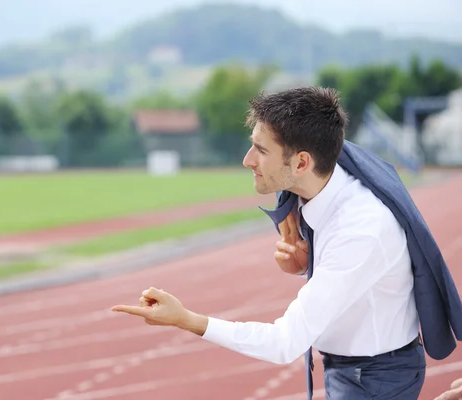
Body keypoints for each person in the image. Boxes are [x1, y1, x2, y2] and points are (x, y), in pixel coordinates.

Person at [111, 87, 432, 399]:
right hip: (354, 367)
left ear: (302, 163)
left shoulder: (359, 230)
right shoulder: (323, 180)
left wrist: (185, 319)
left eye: (261, 151)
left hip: (376, 380)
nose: (247, 160)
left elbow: (284, 343)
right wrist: (305, 264)